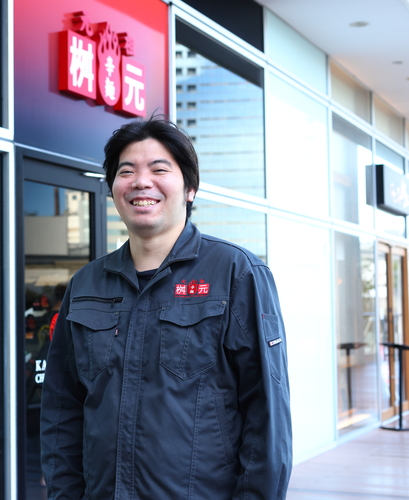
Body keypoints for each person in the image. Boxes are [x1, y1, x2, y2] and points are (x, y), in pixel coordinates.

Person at [40, 117, 292, 499]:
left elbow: (266, 415)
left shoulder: (236, 273)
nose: (141, 182)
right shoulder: (86, 284)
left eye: (159, 169)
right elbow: (62, 410)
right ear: (112, 189)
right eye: (127, 171)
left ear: (190, 188)